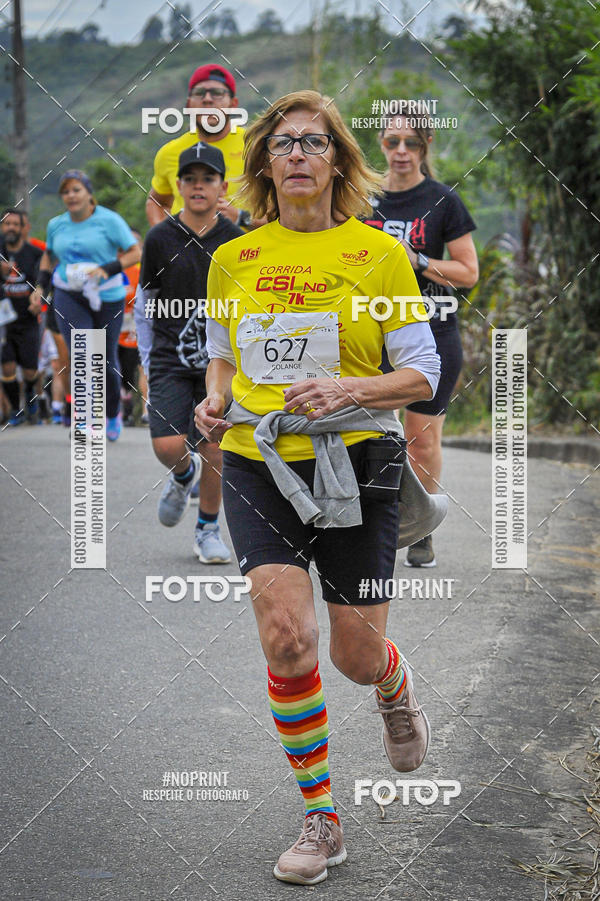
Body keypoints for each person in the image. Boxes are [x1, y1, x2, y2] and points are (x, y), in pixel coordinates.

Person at [194, 90, 441, 885]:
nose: (298, 153)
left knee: (353, 652)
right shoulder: (235, 258)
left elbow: (422, 373)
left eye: (315, 142)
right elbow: (224, 351)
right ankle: (323, 817)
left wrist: (349, 390)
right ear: (265, 162)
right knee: (286, 636)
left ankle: (394, 684)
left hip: (360, 455)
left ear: (338, 160)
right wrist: (215, 395)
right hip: (260, 458)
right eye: (284, 143)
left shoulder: (380, 255)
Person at [365, 114, 478, 567]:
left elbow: (468, 273)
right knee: (367, 434)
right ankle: (372, 523)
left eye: (411, 142)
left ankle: (421, 530)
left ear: (426, 143)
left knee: (421, 439)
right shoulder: (362, 198)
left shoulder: (443, 201)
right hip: (372, 331)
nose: (401, 150)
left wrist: (417, 259)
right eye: (393, 140)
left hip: (433, 330)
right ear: (382, 141)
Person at [135, 143, 242, 562]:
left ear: (223, 186)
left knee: (215, 446)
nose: (199, 187)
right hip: (168, 359)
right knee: (167, 446)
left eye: (208, 179)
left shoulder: (237, 243)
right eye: (191, 180)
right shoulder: (160, 238)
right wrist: (145, 362)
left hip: (220, 363)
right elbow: (146, 306)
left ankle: (208, 529)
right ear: (177, 186)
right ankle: (183, 473)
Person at [29, 170, 141, 441]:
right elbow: (48, 257)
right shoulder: (57, 224)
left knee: (104, 358)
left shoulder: (109, 220)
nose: (71, 196)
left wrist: (107, 268)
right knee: (82, 352)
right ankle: (84, 419)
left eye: (76, 190)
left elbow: (135, 252)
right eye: (66, 192)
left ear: (89, 193)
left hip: (108, 294)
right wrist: (41, 286)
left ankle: (112, 413)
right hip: (69, 292)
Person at [146, 64, 251, 230]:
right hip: (187, 255)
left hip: (247, 254)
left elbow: (284, 212)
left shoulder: (255, 146)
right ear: (188, 105)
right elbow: (156, 202)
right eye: (199, 93)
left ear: (233, 104)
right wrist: (164, 242)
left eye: (217, 93)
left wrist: (241, 218)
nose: (207, 99)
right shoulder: (170, 152)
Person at [0, 208, 43, 425]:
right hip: (3, 323)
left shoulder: (34, 253)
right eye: (7, 224)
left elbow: (43, 282)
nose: (11, 228)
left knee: (30, 370)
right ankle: (16, 410)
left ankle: (30, 397)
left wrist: (39, 297)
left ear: (23, 228)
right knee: (6, 367)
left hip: (28, 322)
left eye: (15, 224)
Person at [118, 228, 144, 425]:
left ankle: (145, 411)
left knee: (143, 367)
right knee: (120, 370)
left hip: (139, 325)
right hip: (115, 325)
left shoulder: (145, 269)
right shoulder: (114, 269)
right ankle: (122, 406)